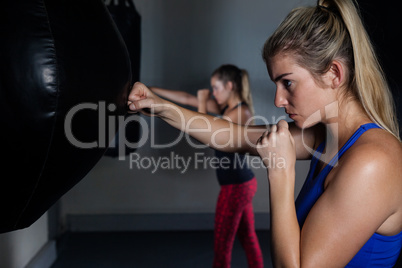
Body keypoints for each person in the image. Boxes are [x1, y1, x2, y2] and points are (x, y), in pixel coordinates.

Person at [128, 0, 402, 266]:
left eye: (288, 83)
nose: (278, 100)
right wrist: (162, 107)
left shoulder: (373, 162)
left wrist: (280, 171)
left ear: (333, 73)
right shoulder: (327, 136)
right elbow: (233, 137)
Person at [148, 64, 263, 268]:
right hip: (240, 184)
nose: (213, 93)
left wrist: (202, 104)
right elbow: (185, 98)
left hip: (236, 186)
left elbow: (208, 133)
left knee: (222, 246)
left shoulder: (242, 113)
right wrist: (152, 92)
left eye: (216, 88)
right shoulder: (225, 108)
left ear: (229, 86)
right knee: (248, 237)